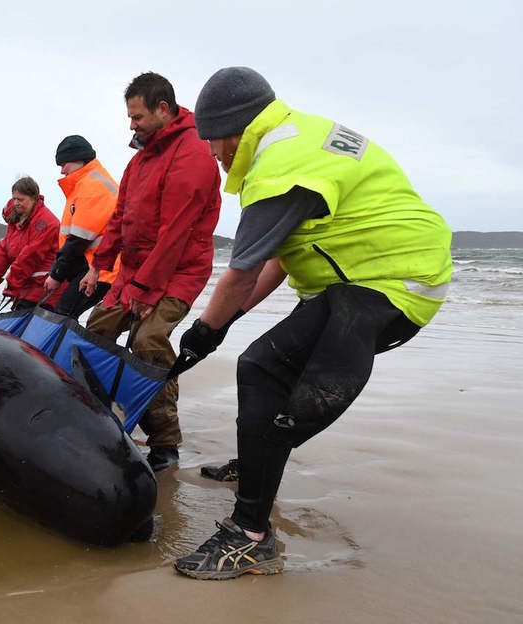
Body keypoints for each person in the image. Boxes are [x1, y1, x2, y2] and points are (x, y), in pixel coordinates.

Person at [171, 67, 452, 580]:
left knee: (274, 384)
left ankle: (250, 536)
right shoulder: (299, 138)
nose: (213, 153)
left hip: (389, 281)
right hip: (362, 278)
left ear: (236, 130)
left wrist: (205, 329)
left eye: (214, 141)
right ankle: (256, 467)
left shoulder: (278, 166)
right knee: (260, 365)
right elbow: (280, 257)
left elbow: (242, 269)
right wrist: (230, 320)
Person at [78, 72, 222, 472]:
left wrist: (145, 290)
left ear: (163, 108)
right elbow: (120, 218)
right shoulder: (139, 160)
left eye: (137, 116)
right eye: (129, 117)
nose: (132, 125)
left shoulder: (193, 153)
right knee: (95, 332)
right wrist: (99, 266)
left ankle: (164, 445)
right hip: (134, 274)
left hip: (178, 273)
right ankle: (97, 416)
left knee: (149, 343)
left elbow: (175, 232)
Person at [43, 135, 121, 318]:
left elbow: (78, 240)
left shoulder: (92, 186)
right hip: (97, 265)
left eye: (63, 165)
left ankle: (67, 347)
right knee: (66, 312)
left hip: (104, 269)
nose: (62, 171)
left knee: (64, 311)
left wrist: (56, 275)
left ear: (78, 159)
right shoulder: (88, 183)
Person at [0, 176, 60, 312]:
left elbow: (30, 256)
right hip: (26, 284)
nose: (16, 203)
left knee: (23, 323)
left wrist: (11, 286)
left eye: (21, 199)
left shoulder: (46, 223)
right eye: (14, 199)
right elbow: (6, 249)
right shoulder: (16, 218)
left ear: (34, 198)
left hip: (43, 288)